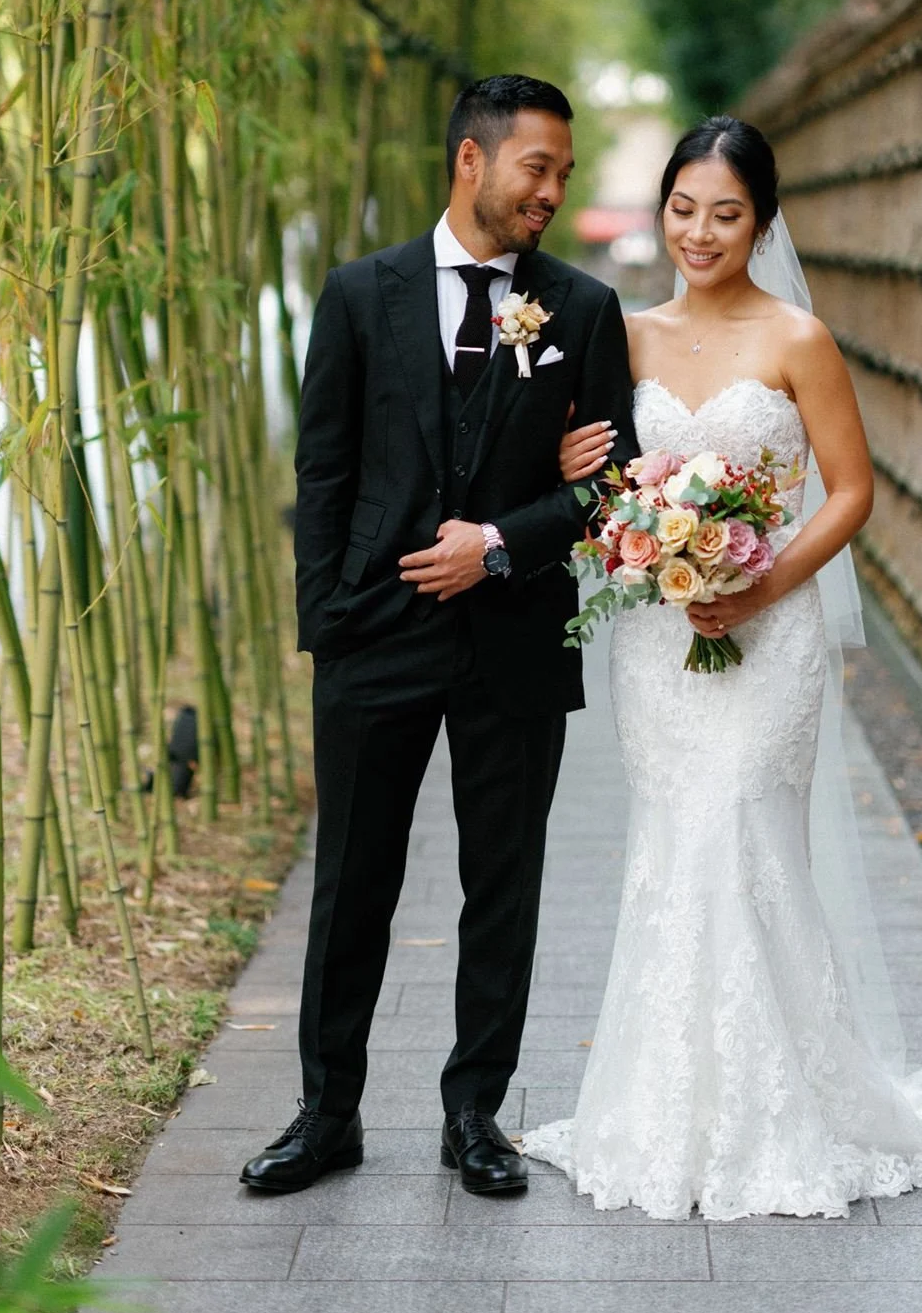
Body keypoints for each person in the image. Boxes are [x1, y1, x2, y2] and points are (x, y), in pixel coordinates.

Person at [523, 114, 922, 1220]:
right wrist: (610, 505)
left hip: (771, 628)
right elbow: (593, 478)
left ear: (762, 219)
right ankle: (666, 1112)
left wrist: (763, 578)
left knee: (746, 829)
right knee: (675, 845)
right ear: (664, 211)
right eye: (684, 208)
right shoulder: (624, 331)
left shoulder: (799, 338)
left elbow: (849, 489)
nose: (700, 232)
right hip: (659, 631)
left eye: (727, 213)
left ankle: (784, 1110)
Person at [242, 74, 636, 1199]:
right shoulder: (362, 295)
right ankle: (328, 1113)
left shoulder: (581, 310)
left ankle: (476, 1117)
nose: (553, 191)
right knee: (352, 880)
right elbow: (324, 468)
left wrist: (502, 542)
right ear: (472, 161)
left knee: (501, 882)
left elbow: (611, 488)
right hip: (376, 633)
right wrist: (330, 618)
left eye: (563, 171)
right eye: (538, 168)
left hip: (513, 633)